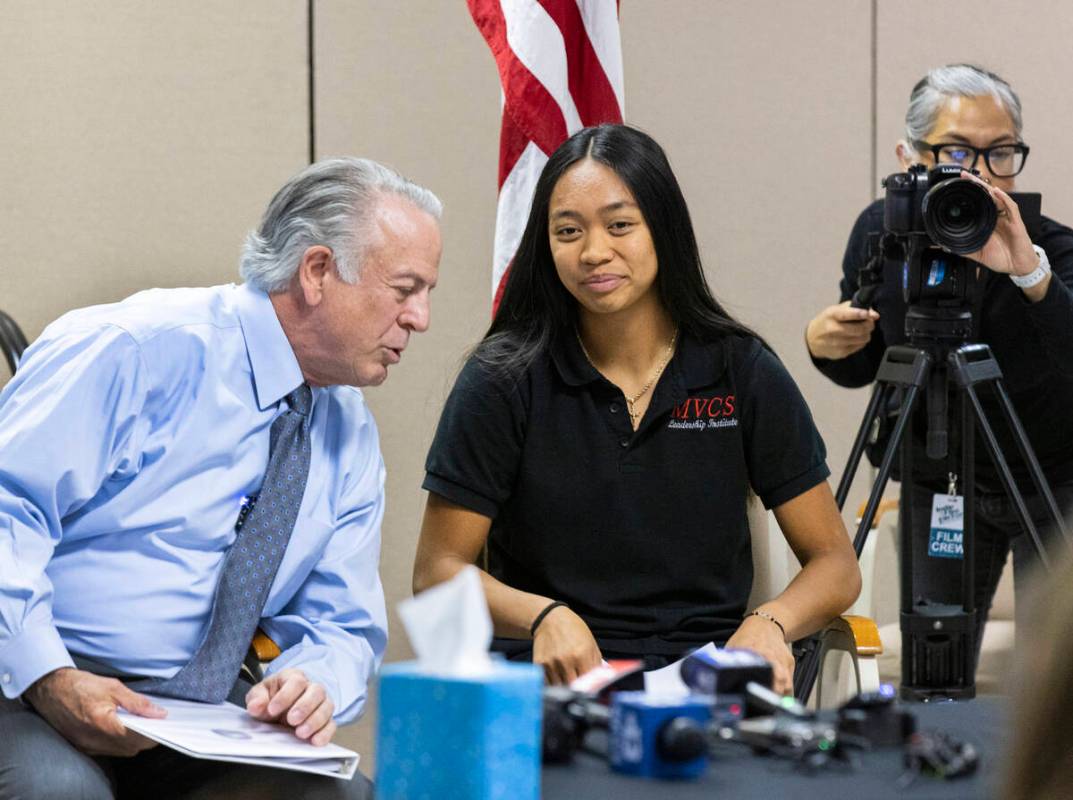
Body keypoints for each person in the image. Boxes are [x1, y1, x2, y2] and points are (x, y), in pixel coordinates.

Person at [0, 157, 443, 799]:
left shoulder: (347, 429)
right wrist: (48, 676)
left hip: (194, 716)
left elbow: (341, 623)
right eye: (405, 290)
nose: (420, 318)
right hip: (28, 683)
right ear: (317, 272)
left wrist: (313, 683)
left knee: (340, 796)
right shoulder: (137, 349)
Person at [413, 124, 860, 694]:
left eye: (620, 225)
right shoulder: (502, 378)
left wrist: (770, 623)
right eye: (568, 231)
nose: (595, 251)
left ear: (663, 230)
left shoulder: (740, 369)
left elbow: (835, 563)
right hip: (549, 683)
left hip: (706, 679)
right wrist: (545, 616)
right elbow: (437, 572)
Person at [805, 64, 1073, 652]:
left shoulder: (1047, 245)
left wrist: (1028, 271)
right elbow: (865, 364)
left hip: (1054, 483)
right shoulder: (883, 231)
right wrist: (825, 343)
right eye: (955, 149)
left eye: (999, 151)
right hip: (940, 478)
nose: (977, 172)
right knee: (935, 658)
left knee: (1056, 679)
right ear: (909, 155)